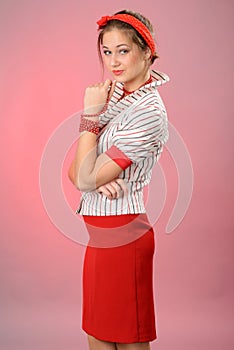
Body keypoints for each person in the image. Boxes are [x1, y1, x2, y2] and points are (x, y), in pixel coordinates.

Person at [68, 9, 169, 350]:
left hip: (124, 238)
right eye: (107, 52)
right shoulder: (114, 96)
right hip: (97, 238)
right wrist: (93, 175)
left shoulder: (149, 112)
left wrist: (89, 116)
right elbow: (75, 171)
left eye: (123, 50)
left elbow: (82, 176)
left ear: (147, 52)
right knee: (97, 335)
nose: (113, 61)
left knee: (128, 339)